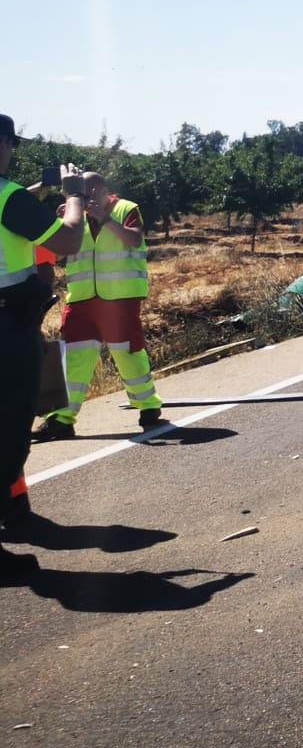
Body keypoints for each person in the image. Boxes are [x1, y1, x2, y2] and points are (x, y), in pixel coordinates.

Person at [0, 115, 87, 574]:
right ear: (6, 144)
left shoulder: (12, 199)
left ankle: (13, 515)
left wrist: (34, 193)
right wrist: (73, 195)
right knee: (10, 429)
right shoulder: (9, 199)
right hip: (6, 328)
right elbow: (69, 240)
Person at [34, 170, 160, 439]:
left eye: (88, 194)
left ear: (104, 192)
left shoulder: (126, 208)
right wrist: (63, 223)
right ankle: (61, 418)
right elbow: (57, 254)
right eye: (77, 194)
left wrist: (104, 219)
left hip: (118, 298)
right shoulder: (74, 216)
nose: (84, 199)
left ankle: (148, 407)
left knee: (127, 352)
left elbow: (134, 239)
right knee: (74, 358)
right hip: (81, 298)